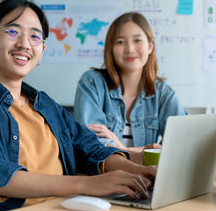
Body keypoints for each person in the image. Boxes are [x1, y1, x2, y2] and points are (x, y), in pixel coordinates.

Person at [0, 0, 156, 211]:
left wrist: (141, 171)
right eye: (13, 32)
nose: (24, 44)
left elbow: (92, 149)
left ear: (41, 51)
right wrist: (87, 185)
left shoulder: (46, 106)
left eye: (35, 37)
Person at [74, 12, 186, 164]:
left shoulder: (164, 93)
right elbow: (90, 144)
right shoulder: (92, 83)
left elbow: (179, 147)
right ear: (111, 48)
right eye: (120, 42)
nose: (130, 49)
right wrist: (141, 152)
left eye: (137, 40)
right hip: (102, 179)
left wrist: (120, 147)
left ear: (150, 46)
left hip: (146, 180)